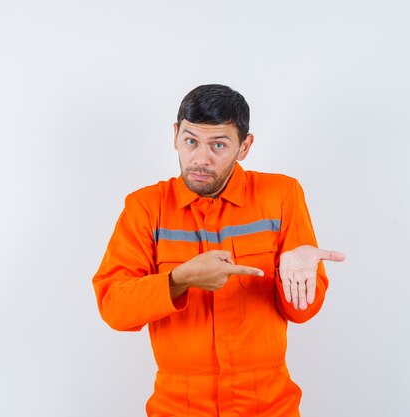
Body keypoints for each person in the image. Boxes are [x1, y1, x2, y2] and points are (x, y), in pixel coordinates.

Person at [92, 84, 345, 417]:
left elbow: (302, 313)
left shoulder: (282, 195)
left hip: (269, 405)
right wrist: (179, 279)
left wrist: (292, 276)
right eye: (191, 141)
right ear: (175, 136)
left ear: (244, 146)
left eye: (219, 145)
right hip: (179, 407)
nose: (200, 158)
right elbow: (114, 307)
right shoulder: (145, 207)